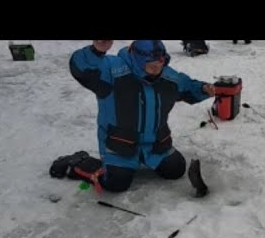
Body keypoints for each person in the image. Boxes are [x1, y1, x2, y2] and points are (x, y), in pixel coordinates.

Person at [68, 40, 216, 193]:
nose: (157, 68)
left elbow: (187, 86)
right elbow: (80, 66)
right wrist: (96, 51)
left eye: (160, 64)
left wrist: (204, 89)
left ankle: (143, 159)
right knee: (117, 183)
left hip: (155, 145)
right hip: (120, 145)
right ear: (138, 59)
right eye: (151, 65)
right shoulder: (112, 70)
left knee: (176, 169)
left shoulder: (167, 75)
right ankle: (79, 163)